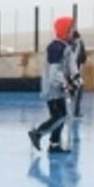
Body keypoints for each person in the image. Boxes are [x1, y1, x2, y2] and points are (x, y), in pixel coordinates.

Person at [28, 16, 78, 154]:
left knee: (61, 116)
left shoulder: (64, 46)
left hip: (58, 88)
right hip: (52, 89)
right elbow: (54, 72)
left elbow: (67, 66)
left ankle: (54, 145)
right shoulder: (56, 47)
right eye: (70, 28)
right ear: (64, 30)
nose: (73, 31)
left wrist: (74, 80)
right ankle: (37, 133)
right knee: (60, 116)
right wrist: (66, 84)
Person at [68, 28, 88, 117]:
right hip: (75, 71)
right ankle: (76, 112)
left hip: (65, 72)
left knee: (69, 90)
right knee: (79, 88)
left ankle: (67, 111)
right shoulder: (80, 43)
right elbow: (83, 58)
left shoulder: (66, 43)